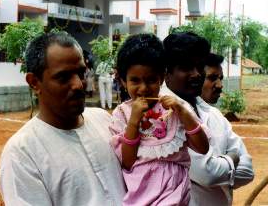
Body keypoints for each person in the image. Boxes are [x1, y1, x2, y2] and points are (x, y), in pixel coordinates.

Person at [0, 32, 126, 205]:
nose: (78, 84)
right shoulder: (22, 153)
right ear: (34, 82)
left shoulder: (105, 121)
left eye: (81, 73)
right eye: (63, 77)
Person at [109, 33, 209, 205]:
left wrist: (184, 113)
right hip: (140, 194)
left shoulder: (176, 107)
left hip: (175, 191)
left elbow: (203, 148)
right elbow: (127, 161)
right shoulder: (122, 114)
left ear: (162, 77)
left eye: (151, 80)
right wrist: (134, 121)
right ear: (123, 81)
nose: (143, 88)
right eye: (135, 80)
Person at [161, 32, 254, 206]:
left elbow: (248, 171)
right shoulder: (163, 115)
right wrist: (230, 159)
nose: (196, 74)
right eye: (186, 67)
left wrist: (218, 168)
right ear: (166, 72)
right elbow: (208, 174)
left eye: (199, 66)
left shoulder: (212, 113)